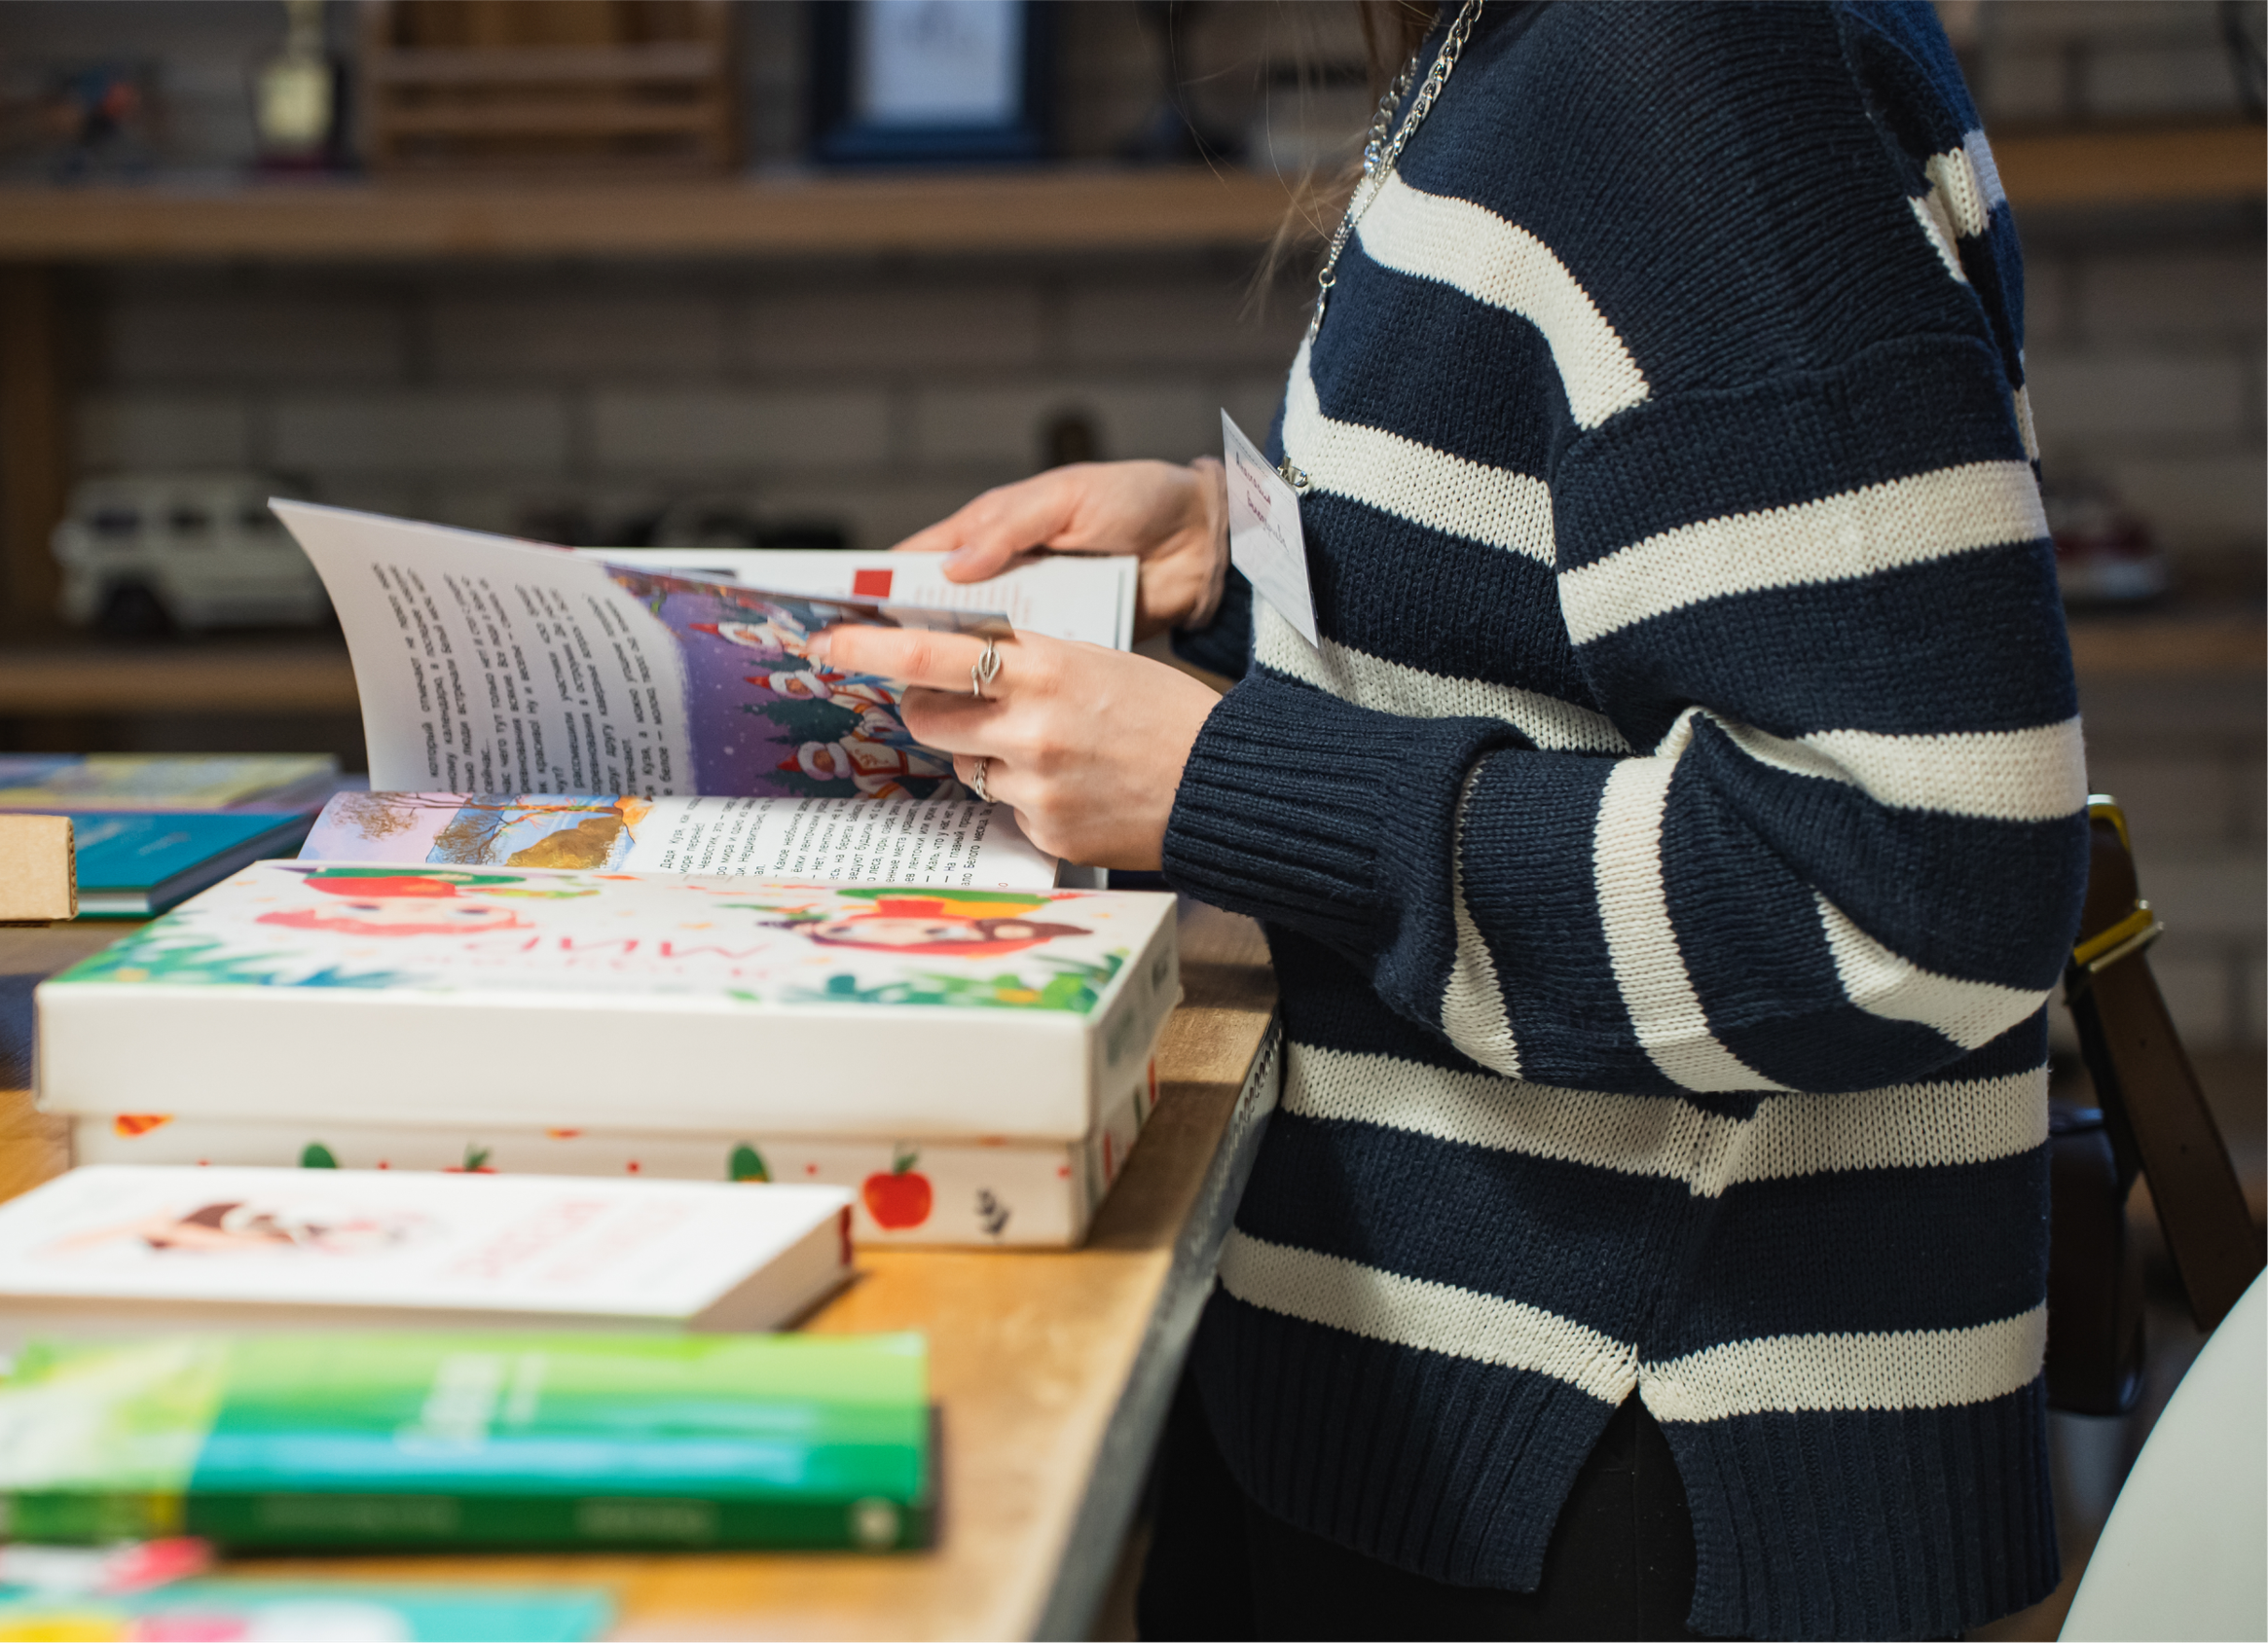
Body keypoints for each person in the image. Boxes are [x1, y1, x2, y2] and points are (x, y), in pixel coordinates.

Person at [813, 0, 2083, 1637]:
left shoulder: (1691, 57)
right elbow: (1589, 597)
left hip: (1632, 1468)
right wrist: (1246, 561)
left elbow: (1917, 886)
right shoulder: (1533, 44)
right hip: (1471, 1408)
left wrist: (1219, 781)